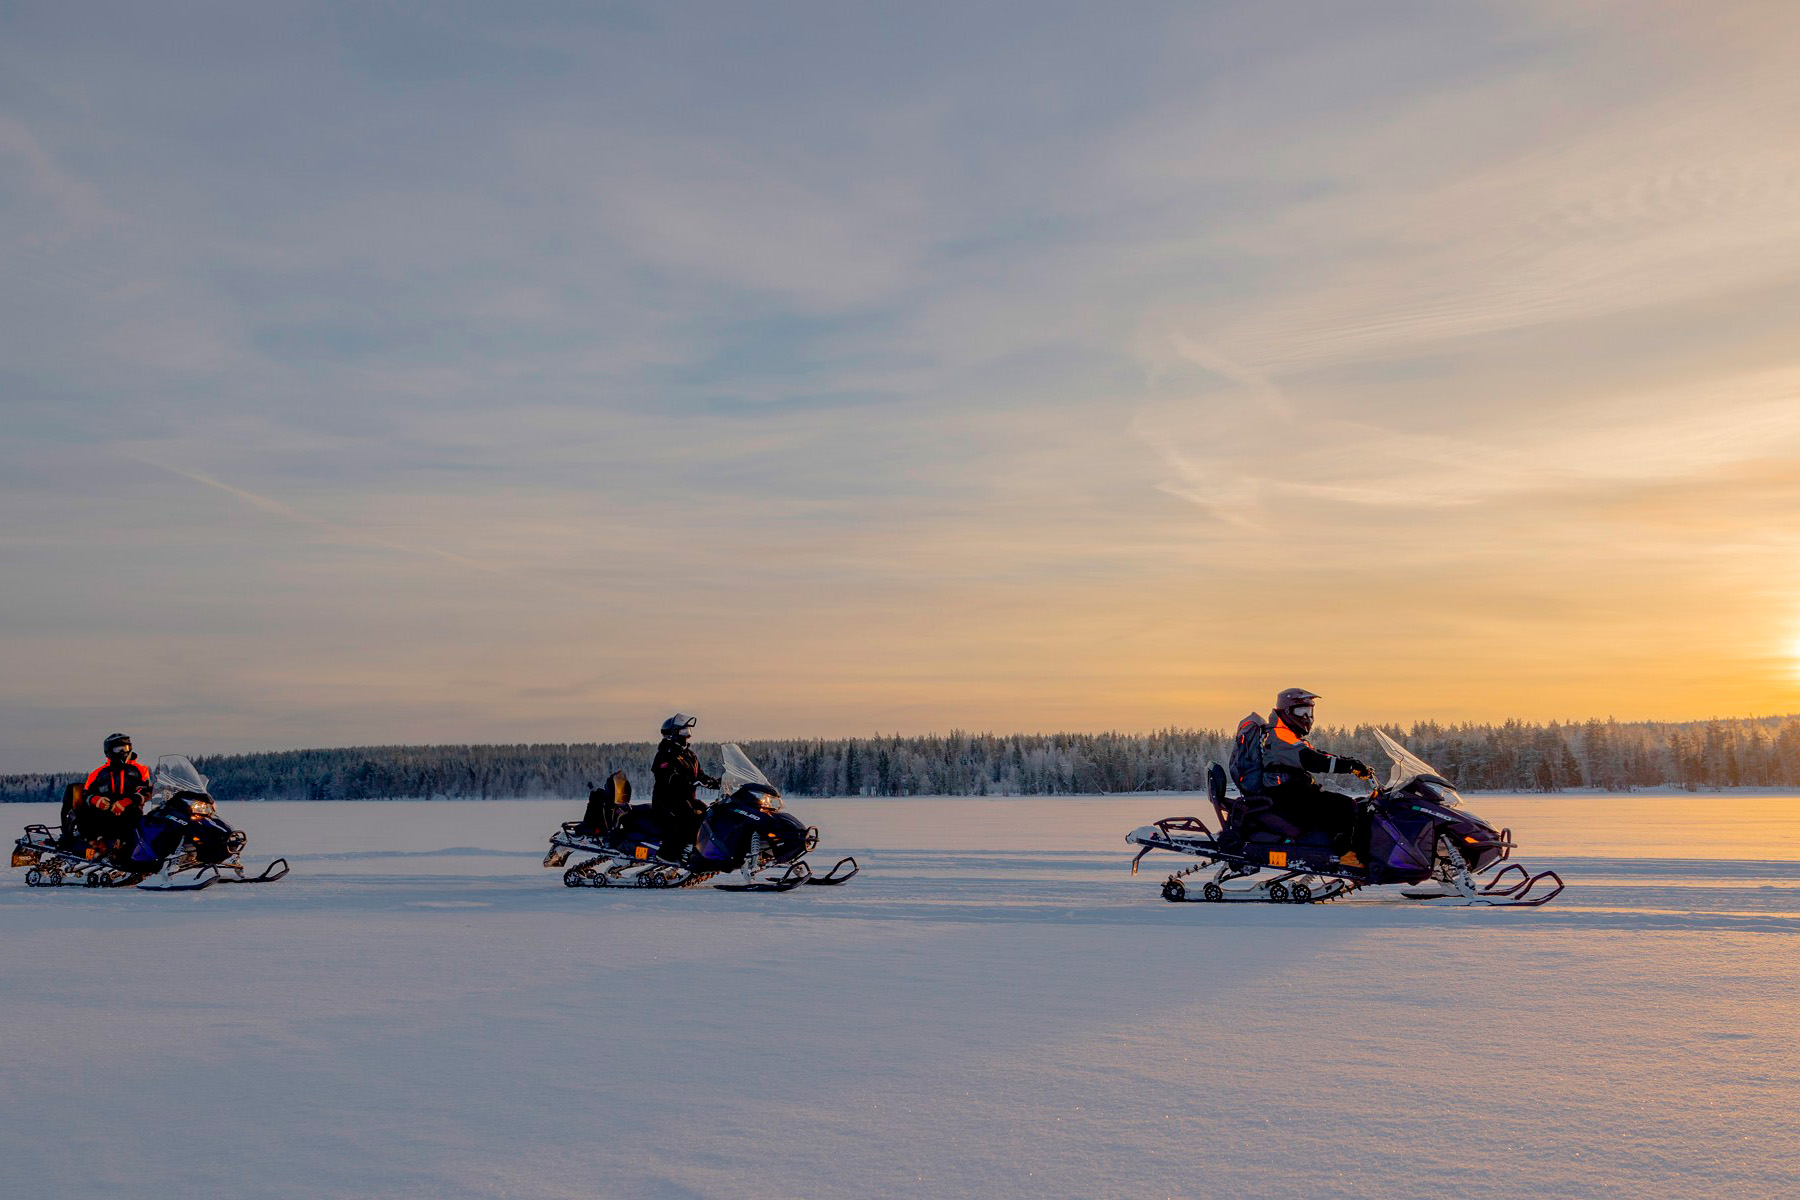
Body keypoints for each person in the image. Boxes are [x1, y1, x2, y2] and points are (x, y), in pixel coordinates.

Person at [1255, 689, 1374, 868]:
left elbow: (1316, 753)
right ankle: (1345, 857)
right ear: (1287, 712)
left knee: (1351, 805)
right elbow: (1314, 760)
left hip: (1291, 791)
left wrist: (1349, 762)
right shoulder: (1281, 736)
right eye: (1300, 711)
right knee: (1344, 806)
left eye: (1309, 712)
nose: (1306, 717)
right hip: (1287, 794)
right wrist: (1349, 766)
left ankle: (1349, 851)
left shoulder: (1285, 733)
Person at [66, 733, 152, 857]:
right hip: (105, 812)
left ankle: (122, 848)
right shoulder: (98, 773)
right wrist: (96, 800)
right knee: (82, 813)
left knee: (133, 816)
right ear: (109, 751)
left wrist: (126, 802)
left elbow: (145, 791)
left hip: (129, 812)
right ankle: (94, 844)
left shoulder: (140, 770)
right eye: (119, 749)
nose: (123, 752)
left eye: (126, 748)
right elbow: (86, 794)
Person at [650, 714, 719, 866]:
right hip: (667, 800)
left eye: (688, 731)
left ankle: (698, 849)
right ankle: (666, 854)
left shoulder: (689, 755)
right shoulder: (664, 754)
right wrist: (691, 781)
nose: (687, 735)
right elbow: (669, 776)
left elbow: (699, 774)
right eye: (683, 731)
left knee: (708, 813)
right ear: (672, 733)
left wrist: (715, 782)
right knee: (688, 817)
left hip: (687, 798)